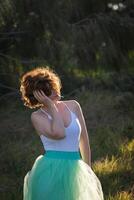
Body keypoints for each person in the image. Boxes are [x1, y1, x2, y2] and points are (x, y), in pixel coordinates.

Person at [20, 66, 104, 200]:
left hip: (76, 167)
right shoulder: (37, 117)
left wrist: (88, 170)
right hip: (50, 171)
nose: (55, 90)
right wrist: (51, 106)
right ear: (40, 95)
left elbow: (84, 140)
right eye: (49, 90)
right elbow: (59, 133)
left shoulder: (73, 105)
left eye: (53, 86)